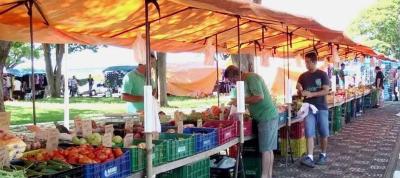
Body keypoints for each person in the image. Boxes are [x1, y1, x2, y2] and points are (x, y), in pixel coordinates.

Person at [224, 65, 278, 178]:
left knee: (265, 149)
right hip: (265, 116)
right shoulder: (246, 81)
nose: (232, 82)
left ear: (234, 75)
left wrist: (240, 101)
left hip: (266, 116)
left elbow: (259, 97)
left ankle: (264, 175)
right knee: (269, 149)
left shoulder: (250, 78)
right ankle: (268, 175)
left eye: (231, 80)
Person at [296, 52, 330, 168]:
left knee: (323, 132)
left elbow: (326, 90)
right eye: (305, 62)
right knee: (309, 132)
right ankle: (309, 156)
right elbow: (300, 91)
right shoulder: (303, 76)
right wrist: (300, 90)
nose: (306, 64)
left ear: (314, 62)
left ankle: (323, 154)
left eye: (308, 62)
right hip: (308, 108)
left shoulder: (322, 75)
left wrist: (312, 94)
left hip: (321, 107)